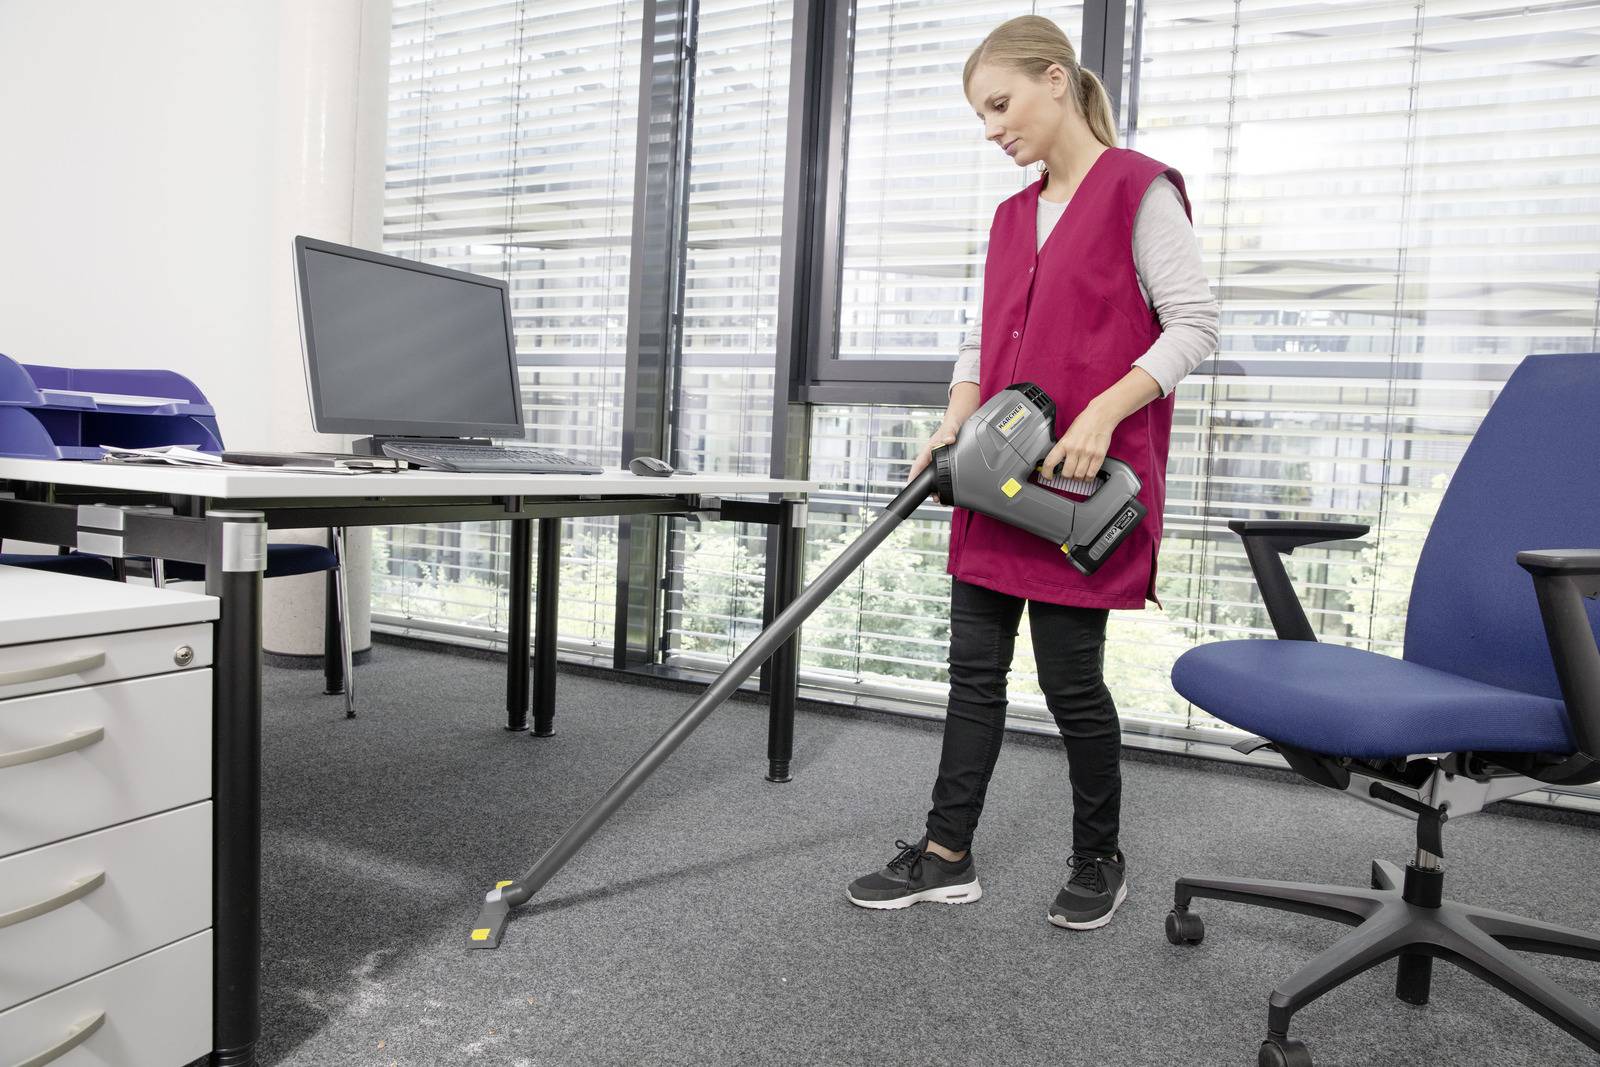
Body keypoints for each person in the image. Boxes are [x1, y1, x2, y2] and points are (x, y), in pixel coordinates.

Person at [846, 14, 1219, 930]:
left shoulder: (1139, 189)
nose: (993, 130)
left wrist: (1103, 409)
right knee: (972, 672)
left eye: (1000, 105)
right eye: (982, 116)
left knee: (1068, 681)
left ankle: (1099, 853)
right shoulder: (1011, 216)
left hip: (1073, 492)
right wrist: (950, 422)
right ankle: (945, 855)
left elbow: (1194, 326)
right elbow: (984, 344)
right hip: (990, 476)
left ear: (1057, 80)